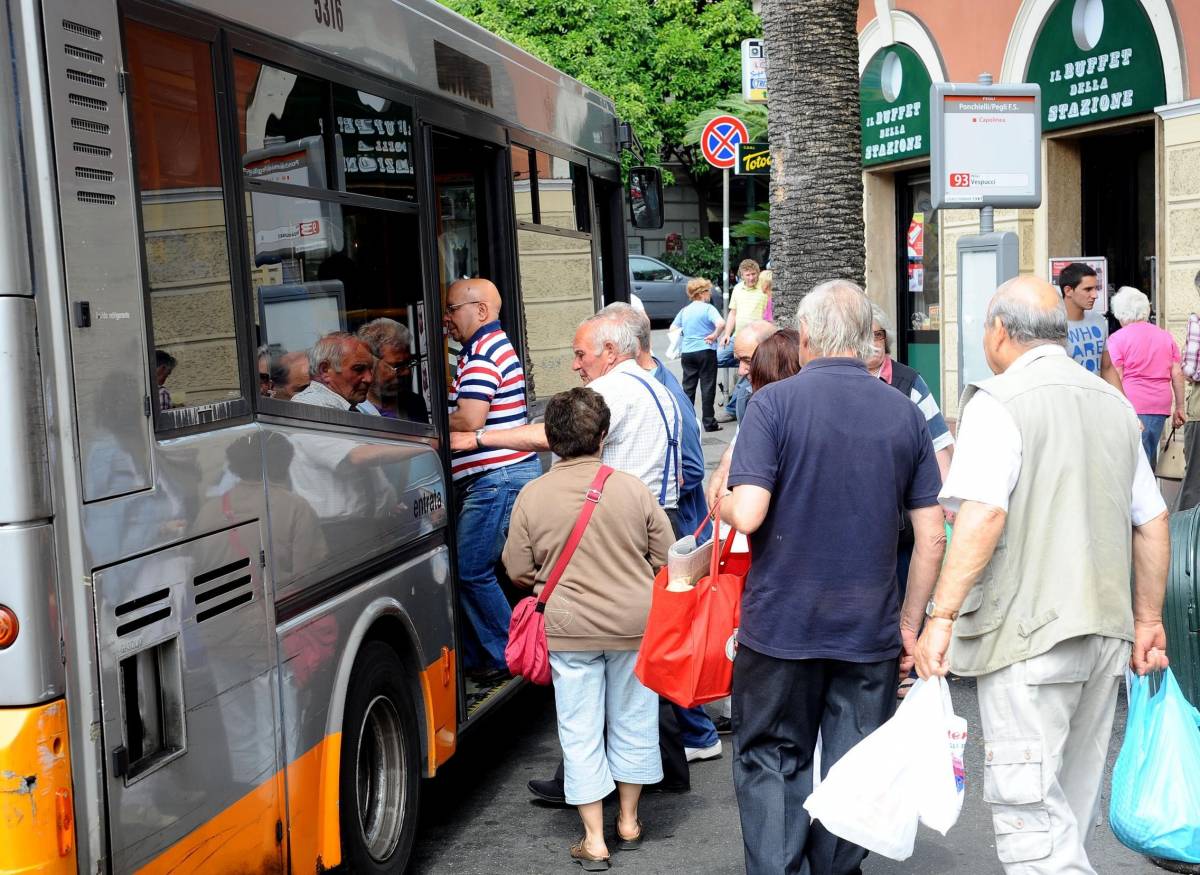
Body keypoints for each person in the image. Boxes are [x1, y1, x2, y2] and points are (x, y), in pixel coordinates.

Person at [914, 275, 1170, 875]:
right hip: (1105, 635)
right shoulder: (1115, 404)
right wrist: (1149, 620)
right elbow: (1153, 519)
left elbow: (982, 514)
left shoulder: (999, 403)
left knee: (1030, 816)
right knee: (1069, 810)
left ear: (999, 332)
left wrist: (940, 618)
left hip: (1027, 636)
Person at [718, 279, 946, 875]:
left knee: (771, 758)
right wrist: (909, 624)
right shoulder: (903, 412)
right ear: (866, 337)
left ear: (809, 335)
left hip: (781, 626)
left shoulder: (773, 404)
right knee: (854, 767)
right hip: (867, 627)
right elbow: (933, 535)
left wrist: (722, 497)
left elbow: (747, 513)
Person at [503, 388, 674, 871]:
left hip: (568, 628)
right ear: (603, 436)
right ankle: (629, 820)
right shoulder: (631, 488)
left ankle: (595, 839)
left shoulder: (532, 495)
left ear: (551, 441)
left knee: (579, 730)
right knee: (634, 720)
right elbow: (668, 556)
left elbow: (516, 567)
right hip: (634, 626)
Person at [443, 277, 543, 682]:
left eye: (452, 309)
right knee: (487, 570)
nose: (446, 319)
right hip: (496, 478)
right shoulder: (483, 349)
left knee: (471, 570)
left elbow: (470, 418)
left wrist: (425, 420)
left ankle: (510, 655)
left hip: (495, 478)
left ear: (480, 310)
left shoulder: (484, 351)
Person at [1102, 286, 1185, 469]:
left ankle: (1141, 497)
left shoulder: (1117, 339)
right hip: (1160, 406)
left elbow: (1116, 375)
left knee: (1135, 464)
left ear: (1121, 313)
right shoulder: (1165, 336)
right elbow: (1177, 373)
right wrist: (1180, 407)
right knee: (1146, 457)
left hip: (1132, 404)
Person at [705, 320, 779, 508]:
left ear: (772, 353)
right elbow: (739, 439)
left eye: (747, 360)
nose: (741, 371)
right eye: (738, 361)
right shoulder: (746, 392)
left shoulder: (793, 397)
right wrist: (721, 473)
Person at [716, 259, 769, 422]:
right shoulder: (738, 289)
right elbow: (733, 313)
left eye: (754, 274)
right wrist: (726, 334)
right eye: (748, 275)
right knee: (716, 358)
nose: (752, 278)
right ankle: (750, 366)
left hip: (756, 341)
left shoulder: (764, 287)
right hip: (737, 337)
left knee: (744, 376)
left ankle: (732, 409)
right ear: (742, 275)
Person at [671, 278, 725, 431]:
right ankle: (709, 423)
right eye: (708, 291)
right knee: (707, 387)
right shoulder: (708, 309)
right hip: (706, 350)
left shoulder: (685, 311)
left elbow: (672, 328)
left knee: (688, 387)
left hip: (688, 352)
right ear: (702, 293)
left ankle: (686, 423)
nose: (710, 294)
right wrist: (714, 335)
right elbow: (721, 323)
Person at [357, 317, 429, 422]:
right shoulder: (354, 410)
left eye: (408, 364)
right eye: (398, 366)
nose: (407, 372)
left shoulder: (415, 404)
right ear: (370, 365)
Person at [292, 333, 375, 411]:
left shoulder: (362, 405)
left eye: (371, 369)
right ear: (325, 370)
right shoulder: (313, 406)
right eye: (358, 369)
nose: (369, 379)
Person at [1059, 262, 1108, 375]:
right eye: (1088, 289)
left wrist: (1118, 393)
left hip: (1096, 391)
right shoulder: (1052, 325)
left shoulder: (1099, 320)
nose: (1095, 295)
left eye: (1095, 288)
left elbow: (1107, 367)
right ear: (1068, 291)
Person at [1179, 311, 1200, 509]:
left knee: (1194, 477)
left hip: (1199, 410)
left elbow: (1190, 369)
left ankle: (1185, 536)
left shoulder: (1197, 319)